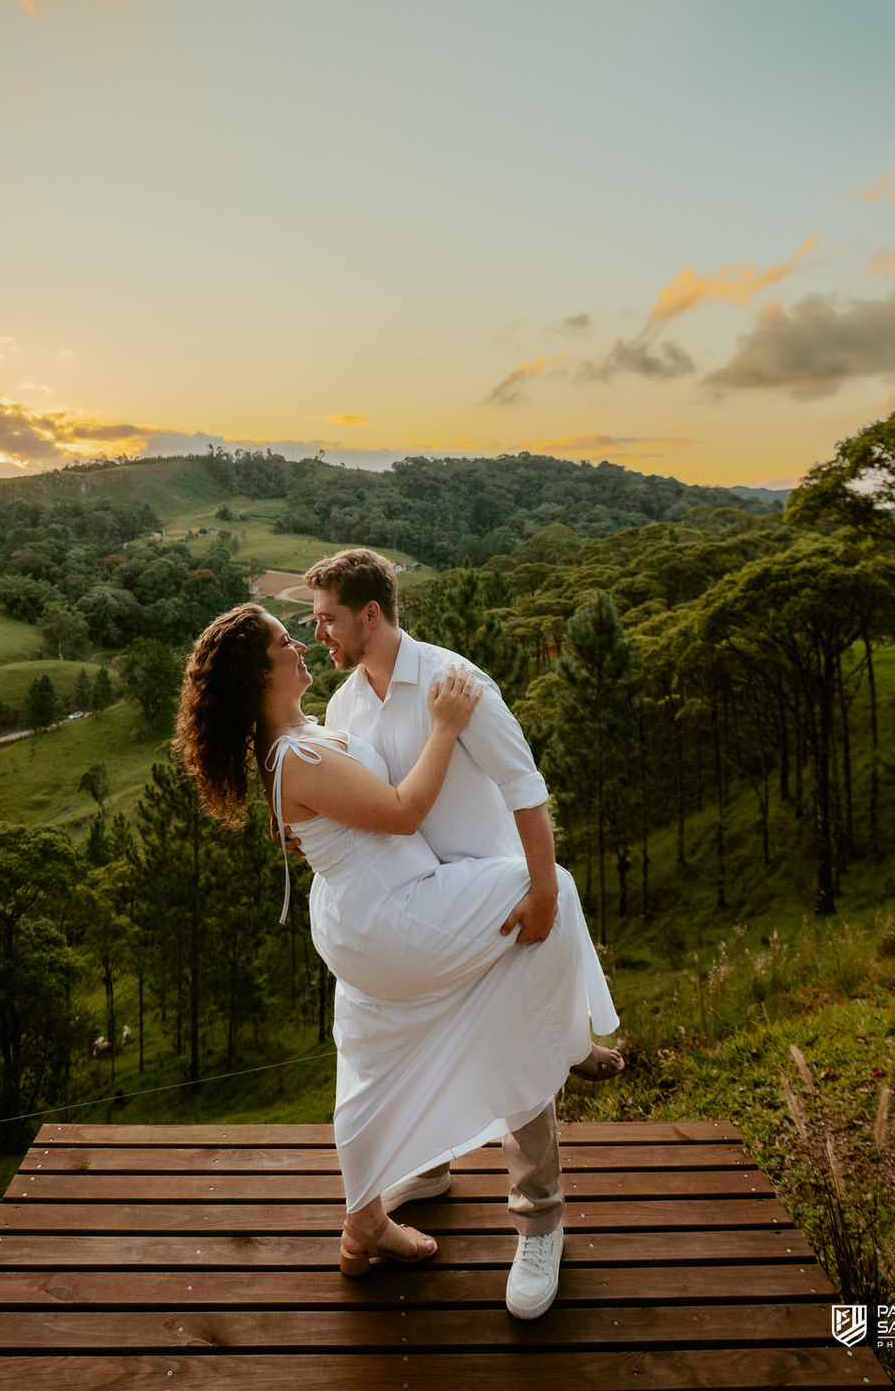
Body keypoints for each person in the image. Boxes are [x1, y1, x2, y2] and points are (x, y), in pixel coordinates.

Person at [177, 590, 619, 1321]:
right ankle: (546, 1155)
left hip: (366, 919)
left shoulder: (309, 733)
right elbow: (404, 811)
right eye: (286, 640)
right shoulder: (298, 753)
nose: (302, 645)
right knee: (548, 891)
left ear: (369, 613)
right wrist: (445, 725)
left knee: (375, 1052)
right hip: (393, 919)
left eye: (311, 626)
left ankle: (370, 1217)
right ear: (260, 677)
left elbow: (331, 811)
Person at [304, 547, 621, 1316]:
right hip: (418, 908)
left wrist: (543, 889)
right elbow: (369, 805)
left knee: (514, 1055)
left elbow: (524, 786)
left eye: (328, 620)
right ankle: (434, 1162)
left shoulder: (455, 681)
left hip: (494, 901)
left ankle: (540, 1222)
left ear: (370, 615)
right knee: (407, 1038)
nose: (320, 636)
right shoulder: (346, 707)